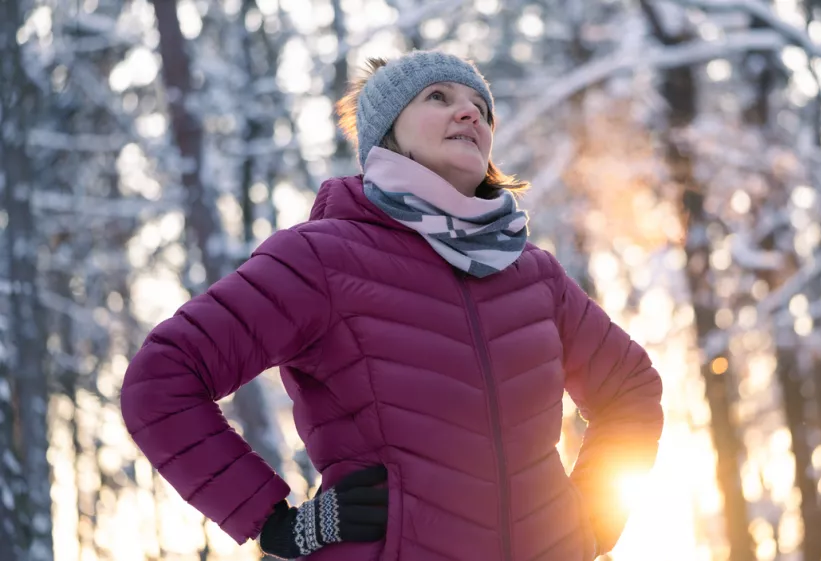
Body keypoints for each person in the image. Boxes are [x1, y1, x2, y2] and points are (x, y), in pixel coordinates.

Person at [121, 50, 664, 561]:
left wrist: (589, 520)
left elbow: (630, 390)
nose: (469, 113)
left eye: (481, 108)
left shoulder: (531, 274)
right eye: (437, 97)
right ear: (387, 133)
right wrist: (274, 521)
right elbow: (163, 378)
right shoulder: (321, 258)